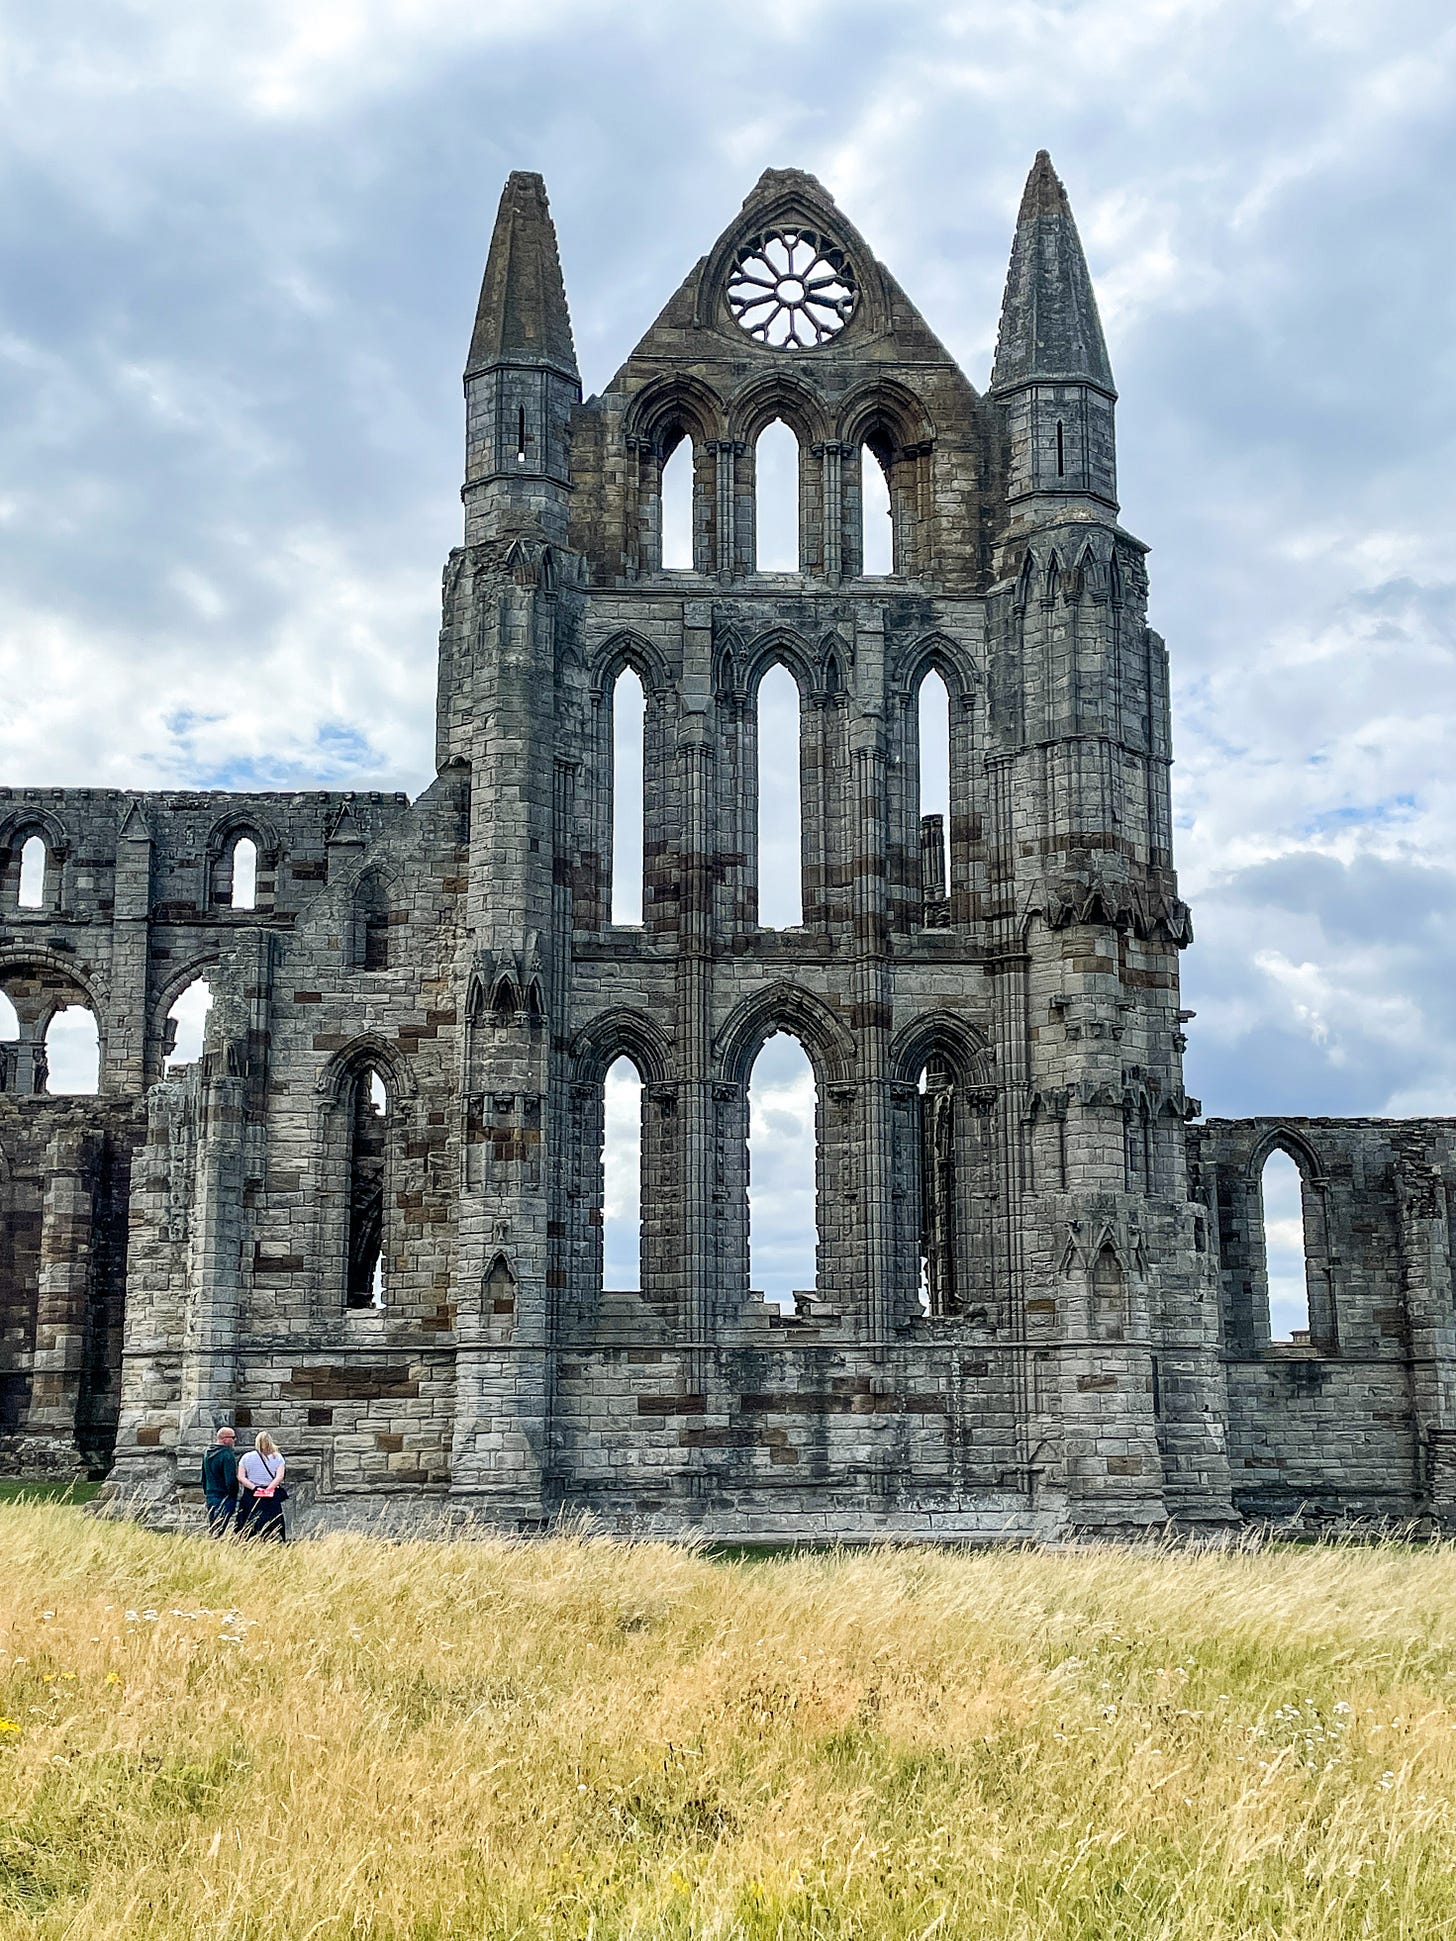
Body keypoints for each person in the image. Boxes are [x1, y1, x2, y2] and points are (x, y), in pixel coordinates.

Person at [235, 1431, 287, 1542]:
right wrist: (268, 1489)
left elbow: (241, 1477)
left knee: (249, 1520)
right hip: (270, 1494)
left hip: (251, 1494)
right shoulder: (277, 1457)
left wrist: (254, 1488)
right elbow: (279, 1476)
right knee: (272, 1521)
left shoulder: (246, 1457)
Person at [200, 1426, 238, 1536]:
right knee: (221, 1526)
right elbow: (230, 1479)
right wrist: (233, 1494)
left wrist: (206, 1491)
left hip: (211, 1493)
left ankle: (213, 1545)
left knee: (214, 1524)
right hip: (224, 1495)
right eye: (233, 1437)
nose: (234, 1440)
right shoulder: (227, 1455)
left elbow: (203, 1475)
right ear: (225, 1439)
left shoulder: (207, 1452)